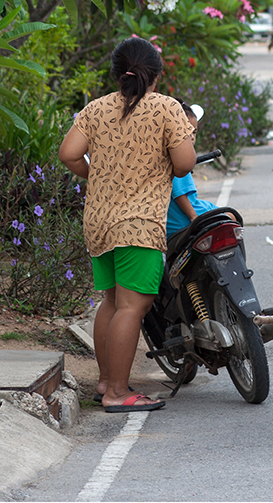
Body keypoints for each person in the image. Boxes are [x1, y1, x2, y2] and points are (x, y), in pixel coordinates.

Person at [59, 37, 196, 413]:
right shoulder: (166, 108)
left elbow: (68, 153)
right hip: (139, 223)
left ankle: (106, 379)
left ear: (117, 73)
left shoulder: (96, 109)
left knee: (112, 302)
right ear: (156, 75)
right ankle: (117, 391)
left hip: (99, 220)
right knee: (133, 307)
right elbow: (184, 164)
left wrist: (95, 175)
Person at [166, 100, 217, 237]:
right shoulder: (179, 162)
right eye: (188, 132)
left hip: (183, 217)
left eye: (194, 132)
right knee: (231, 217)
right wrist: (194, 218)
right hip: (185, 220)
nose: (192, 137)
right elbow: (180, 194)